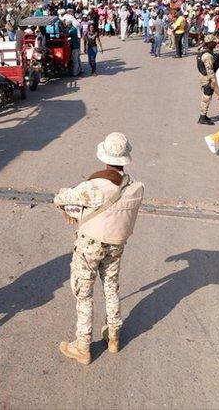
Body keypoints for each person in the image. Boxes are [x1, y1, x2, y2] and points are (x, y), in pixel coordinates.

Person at [54, 132, 145, 365]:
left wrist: (68, 210)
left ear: (105, 158)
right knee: (111, 287)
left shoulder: (93, 187)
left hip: (89, 247)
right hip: (116, 246)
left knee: (84, 294)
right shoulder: (136, 187)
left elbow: (61, 197)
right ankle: (113, 335)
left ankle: (83, 346)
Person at [196, 35, 219, 125]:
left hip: (203, 77)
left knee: (206, 96)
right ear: (210, 43)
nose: (216, 43)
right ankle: (202, 116)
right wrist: (214, 82)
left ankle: (204, 115)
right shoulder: (207, 56)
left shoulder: (204, 51)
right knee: (206, 97)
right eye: (214, 42)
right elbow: (210, 71)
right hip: (207, 79)